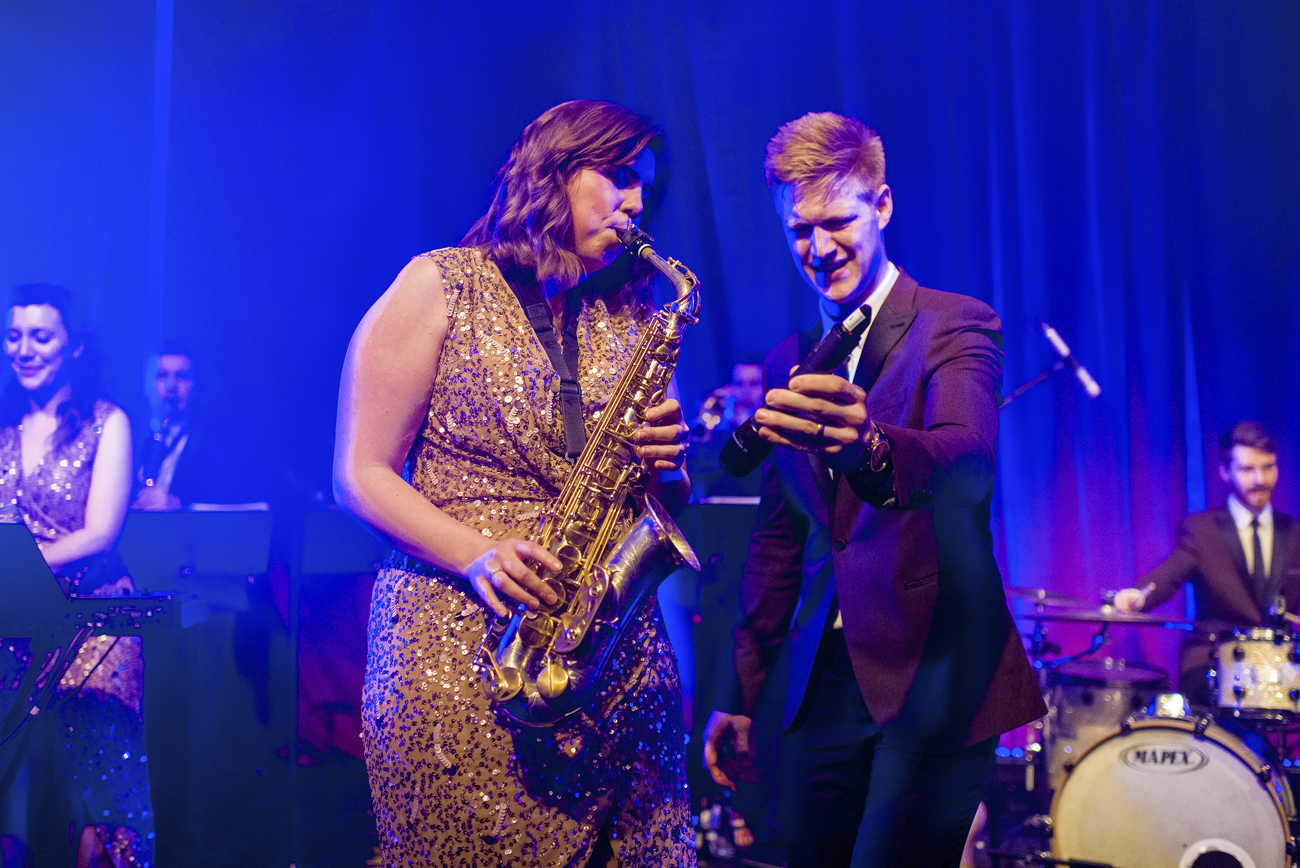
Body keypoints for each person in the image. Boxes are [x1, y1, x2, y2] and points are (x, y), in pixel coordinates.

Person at [333, 100, 696, 865]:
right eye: (620, 175)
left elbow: (654, 506)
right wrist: (476, 552)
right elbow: (359, 474)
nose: (637, 202)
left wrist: (669, 466)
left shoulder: (634, 315)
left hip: (609, 662)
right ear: (553, 171)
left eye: (647, 188)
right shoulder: (439, 283)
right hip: (455, 650)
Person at [702, 113, 1044, 868]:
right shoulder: (790, 356)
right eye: (798, 230)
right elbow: (777, 542)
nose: (817, 250)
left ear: (882, 206)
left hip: (938, 676)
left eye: (836, 222)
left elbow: (968, 462)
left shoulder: (955, 324)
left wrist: (869, 447)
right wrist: (737, 688)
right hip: (823, 687)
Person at [0, 283, 155, 866]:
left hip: (94, 622)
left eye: (41, 336)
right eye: (14, 336)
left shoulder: (106, 421)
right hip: (15, 621)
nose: (25, 349)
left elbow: (100, 534)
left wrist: (18, 562)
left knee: (98, 786)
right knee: (15, 779)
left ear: (75, 347)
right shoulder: (3, 422)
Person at [1115, 421, 1300, 704]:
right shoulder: (1202, 531)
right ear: (1225, 472)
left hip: (1278, 665)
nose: (1259, 479)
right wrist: (1138, 596)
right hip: (1213, 662)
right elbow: (1168, 575)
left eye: (1268, 467)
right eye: (1247, 469)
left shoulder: (1295, 532)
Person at [132, 342, 196, 511]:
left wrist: (181, 507)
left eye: (181, 377)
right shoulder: (129, 439)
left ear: (196, 386)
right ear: (146, 385)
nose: (170, 386)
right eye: (161, 375)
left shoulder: (220, 443)